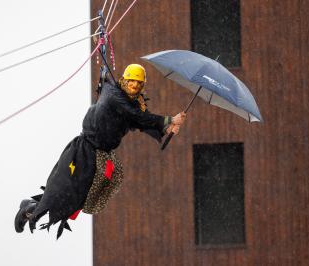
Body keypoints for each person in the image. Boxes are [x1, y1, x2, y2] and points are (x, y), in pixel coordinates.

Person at [14, 64, 186, 239]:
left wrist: (168, 128)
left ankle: (34, 208)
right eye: (132, 81)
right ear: (124, 80)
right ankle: (30, 210)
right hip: (84, 152)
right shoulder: (115, 95)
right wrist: (169, 119)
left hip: (100, 154)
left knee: (87, 191)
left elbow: (140, 121)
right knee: (68, 194)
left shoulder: (129, 103)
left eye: (139, 83)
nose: (135, 85)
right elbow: (138, 116)